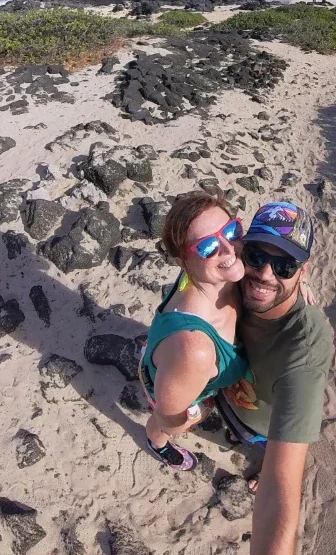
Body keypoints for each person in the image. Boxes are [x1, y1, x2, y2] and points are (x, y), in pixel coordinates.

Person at [216, 201, 333, 555]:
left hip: (263, 428)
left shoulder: (307, 347)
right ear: (241, 252)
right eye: (256, 257)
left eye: (284, 265)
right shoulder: (233, 279)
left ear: (303, 271)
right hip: (223, 395)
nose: (266, 274)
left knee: (273, 466)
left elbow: (283, 491)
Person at [139, 189, 251, 470]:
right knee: (163, 426)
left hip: (172, 360)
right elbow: (169, 414)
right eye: (207, 247)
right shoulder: (195, 351)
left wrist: (298, 282)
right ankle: (157, 444)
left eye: (231, 229)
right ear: (183, 263)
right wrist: (180, 422)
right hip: (177, 379)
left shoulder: (215, 274)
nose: (228, 248)